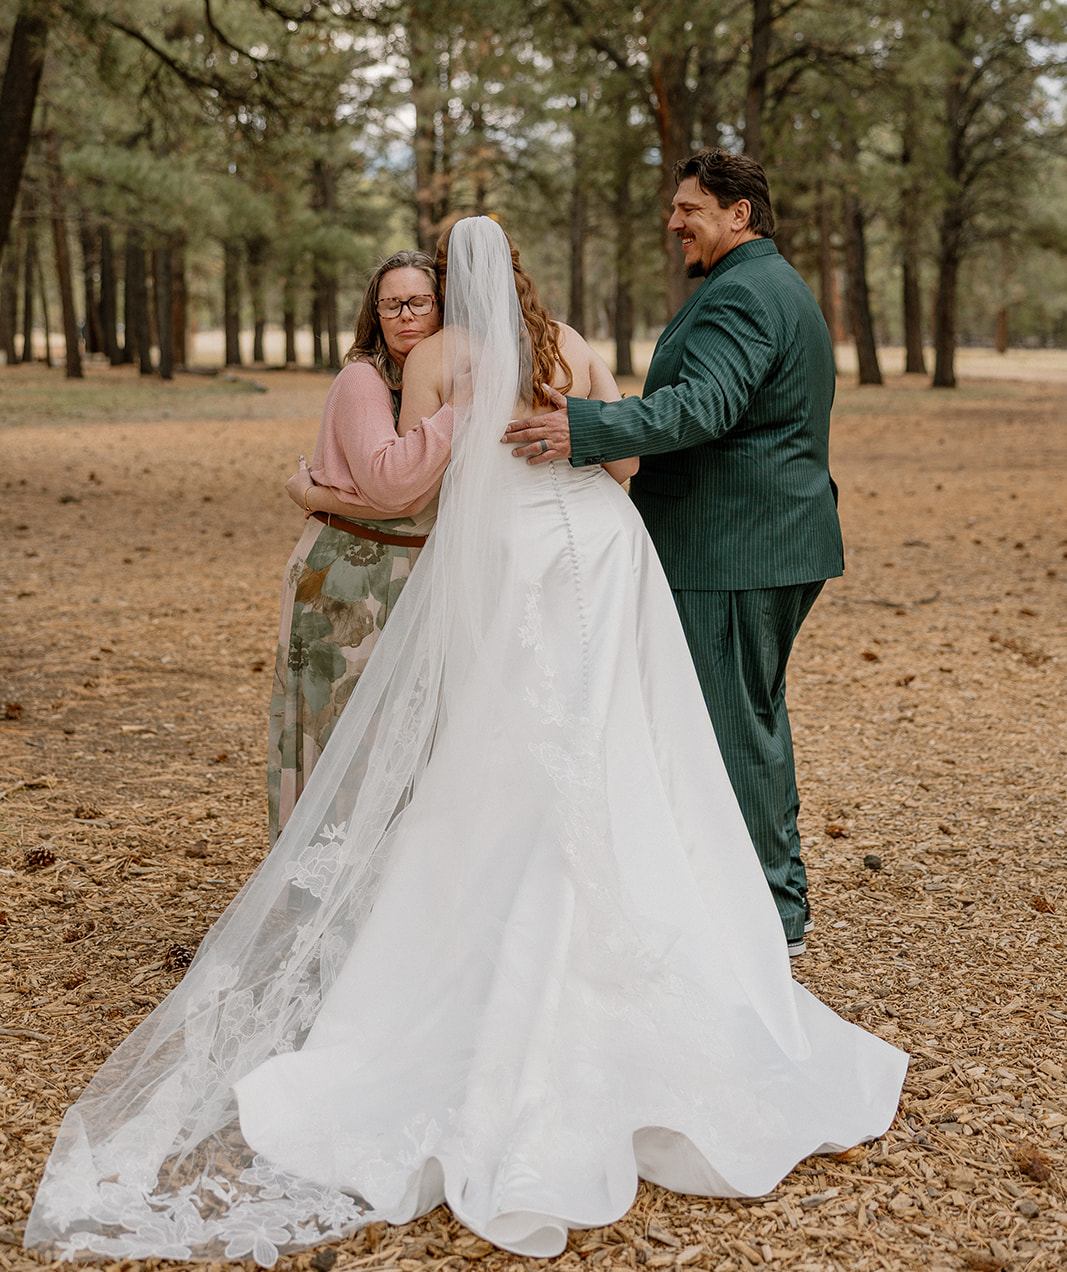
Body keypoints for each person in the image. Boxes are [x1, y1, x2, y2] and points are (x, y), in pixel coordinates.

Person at [26, 218, 903, 1267]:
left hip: (512, 550)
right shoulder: (572, 342)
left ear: (446, 284)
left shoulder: (433, 358)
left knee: (499, 744)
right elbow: (619, 451)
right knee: (622, 738)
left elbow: (419, 482)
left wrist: (329, 490)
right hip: (600, 543)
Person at [504, 150, 843, 958]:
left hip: (733, 543)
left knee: (734, 726)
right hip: (756, 538)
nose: (671, 221)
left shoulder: (743, 295)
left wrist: (583, 430)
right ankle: (746, 892)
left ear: (739, 215)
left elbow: (705, 406)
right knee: (741, 716)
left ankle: (769, 915)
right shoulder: (760, 285)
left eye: (687, 207)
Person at [268, 250, 450, 840]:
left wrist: (314, 492)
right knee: (342, 733)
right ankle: (321, 891)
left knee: (402, 736)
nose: (405, 315)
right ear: (375, 313)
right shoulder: (362, 379)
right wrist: (464, 411)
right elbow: (395, 488)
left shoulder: (445, 373)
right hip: (346, 574)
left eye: (418, 301)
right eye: (391, 304)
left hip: (413, 576)